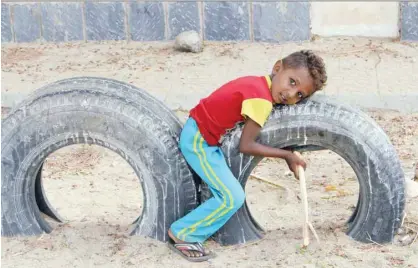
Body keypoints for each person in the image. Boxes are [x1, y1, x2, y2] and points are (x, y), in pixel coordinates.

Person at [167, 50, 327, 262]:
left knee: (227, 190)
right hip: (199, 142)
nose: (291, 94)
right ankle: (184, 233)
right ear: (277, 67)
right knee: (232, 197)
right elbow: (247, 145)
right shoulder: (261, 101)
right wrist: (286, 156)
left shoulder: (259, 85)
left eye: (300, 95)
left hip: (202, 133)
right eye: (291, 82)